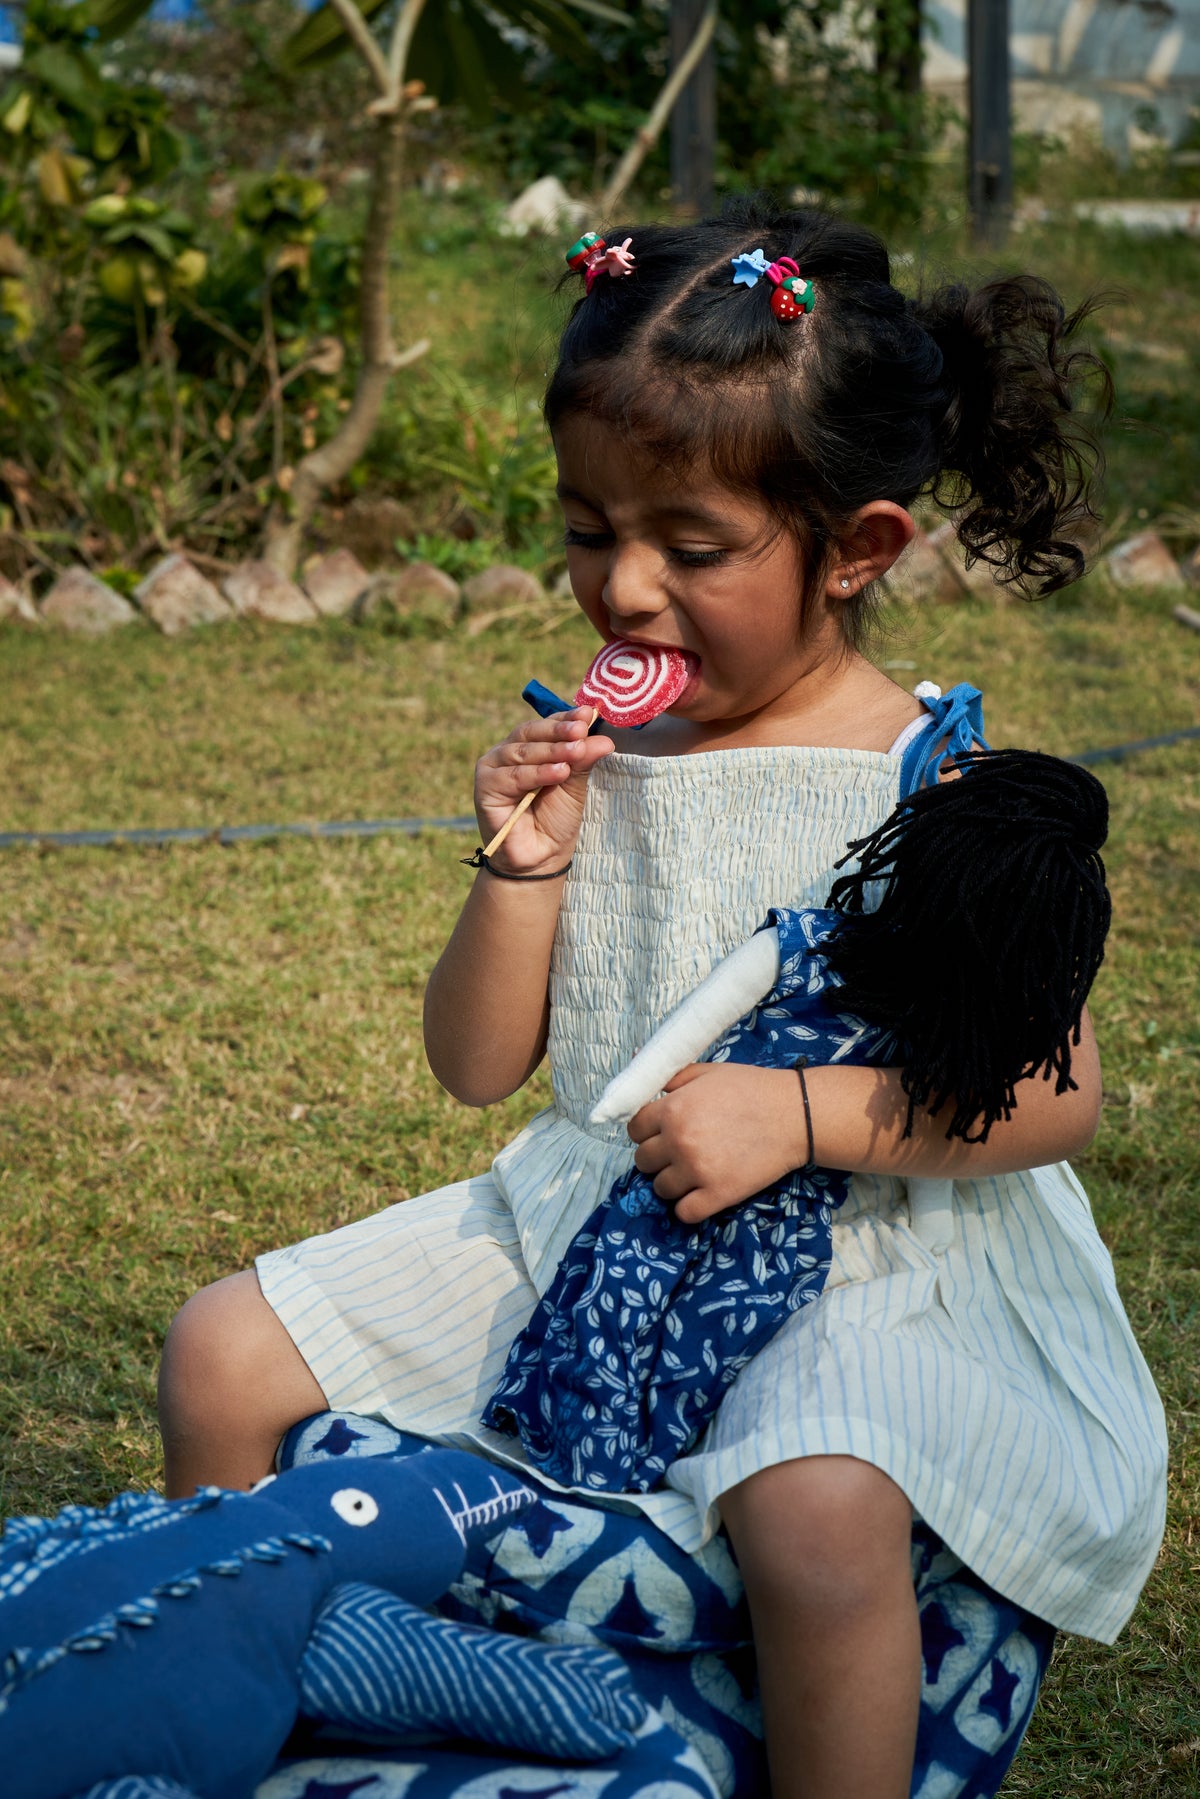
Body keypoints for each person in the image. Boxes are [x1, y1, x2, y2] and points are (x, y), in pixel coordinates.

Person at [158, 200, 1168, 1799]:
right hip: (583, 1203)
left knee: (816, 1509)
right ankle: (203, 1722)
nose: (622, 590)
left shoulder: (937, 787)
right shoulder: (606, 754)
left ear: (860, 548)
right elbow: (481, 1067)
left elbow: (1054, 1093)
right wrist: (528, 862)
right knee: (218, 1354)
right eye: (585, 530)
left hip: (865, 1248)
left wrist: (804, 1112)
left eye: (691, 549)